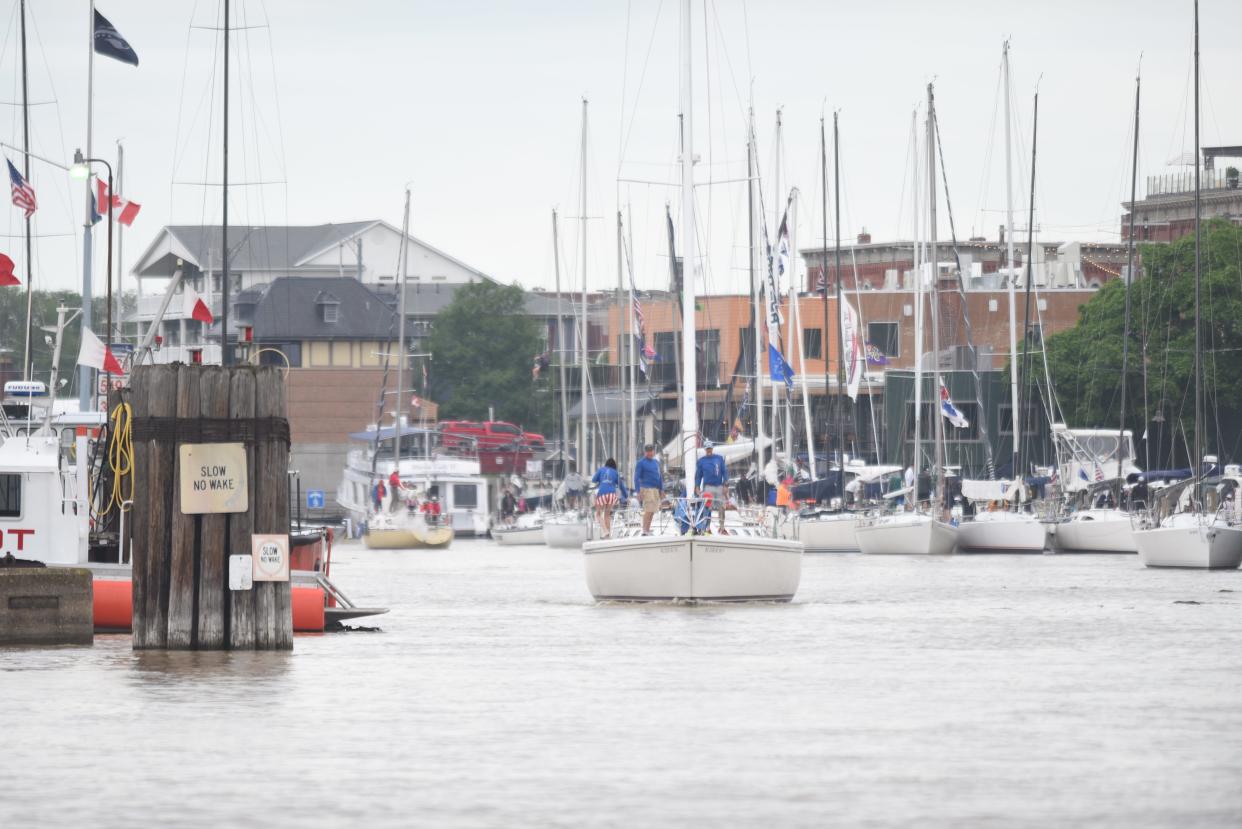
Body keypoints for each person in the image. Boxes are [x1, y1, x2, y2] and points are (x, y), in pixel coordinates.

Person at [694, 440, 729, 533]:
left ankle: (722, 527)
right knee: (707, 508)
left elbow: (724, 472)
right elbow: (698, 475)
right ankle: (707, 528)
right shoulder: (701, 461)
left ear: (712, 448)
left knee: (721, 507)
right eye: (707, 449)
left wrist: (726, 484)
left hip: (719, 486)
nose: (708, 450)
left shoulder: (719, 458)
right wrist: (697, 486)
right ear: (705, 450)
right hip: (707, 487)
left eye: (710, 448)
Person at [591, 458, 629, 538]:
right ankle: (608, 536)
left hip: (602, 494)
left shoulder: (601, 470)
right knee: (607, 515)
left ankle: (605, 531)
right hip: (612, 495)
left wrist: (600, 480)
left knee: (598, 515)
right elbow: (621, 486)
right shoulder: (615, 473)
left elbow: (593, 480)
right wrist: (626, 496)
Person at [633, 444, 663, 535]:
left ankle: (648, 529)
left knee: (653, 510)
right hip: (646, 488)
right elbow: (636, 477)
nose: (650, 453)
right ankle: (644, 530)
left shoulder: (656, 462)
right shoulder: (641, 462)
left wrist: (662, 489)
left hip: (655, 489)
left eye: (651, 451)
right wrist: (638, 491)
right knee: (648, 509)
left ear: (653, 451)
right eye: (648, 451)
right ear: (645, 452)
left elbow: (659, 476)